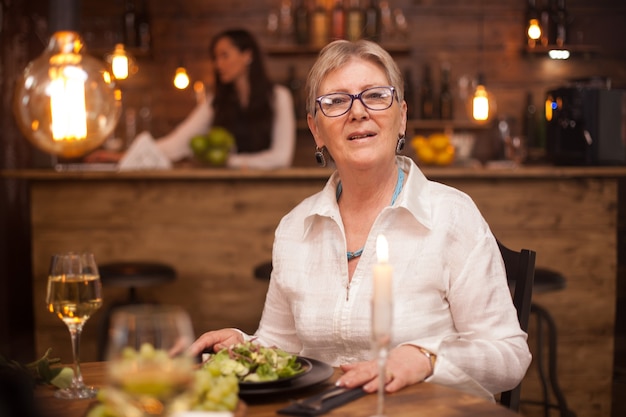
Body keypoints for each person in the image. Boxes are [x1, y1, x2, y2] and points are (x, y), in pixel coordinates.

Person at [189, 40, 531, 401]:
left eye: (375, 95)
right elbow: (282, 347)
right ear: (316, 130)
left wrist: (426, 359)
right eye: (336, 101)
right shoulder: (294, 227)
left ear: (402, 116)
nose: (357, 112)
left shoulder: (452, 216)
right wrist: (246, 347)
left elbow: (509, 355)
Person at [90, 29, 296, 169]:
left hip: (269, 192)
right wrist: (123, 157)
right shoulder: (216, 103)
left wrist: (228, 161)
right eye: (215, 58)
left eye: (225, 55)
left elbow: (281, 157)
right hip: (227, 192)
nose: (218, 64)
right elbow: (176, 144)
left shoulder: (278, 97)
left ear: (247, 55)